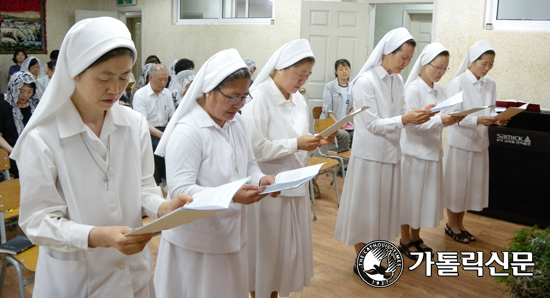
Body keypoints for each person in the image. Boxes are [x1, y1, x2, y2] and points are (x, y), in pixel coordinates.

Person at [11, 17, 192, 297]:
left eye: (124, 78)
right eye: (104, 78)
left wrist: (161, 208)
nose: (115, 89)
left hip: (134, 277)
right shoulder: (42, 137)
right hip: (76, 282)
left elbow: (144, 186)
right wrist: (97, 236)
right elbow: (38, 220)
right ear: (74, 72)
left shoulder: (133, 124)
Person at [154, 48, 277, 298]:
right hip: (195, 242)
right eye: (232, 97)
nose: (239, 105)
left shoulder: (237, 122)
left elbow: (249, 165)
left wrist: (261, 179)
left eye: (244, 97)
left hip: (230, 233)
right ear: (209, 90)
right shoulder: (188, 130)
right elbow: (180, 191)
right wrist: (232, 194)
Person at [333, 28, 434, 271]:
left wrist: (418, 116)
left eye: (410, 59)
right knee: (364, 210)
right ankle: (362, 259)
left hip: (391, 154)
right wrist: (406, 119)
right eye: (403, 58)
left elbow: (400, 112)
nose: (406, 63)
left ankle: (376, 253)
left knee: (384, 209)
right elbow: (372, 124)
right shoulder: (365, 81)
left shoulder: (397, 79)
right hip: (369, 156)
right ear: (387, 53)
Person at [242, 39, 333, 298]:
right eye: (299, 73)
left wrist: (313, 143)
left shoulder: (298, 100)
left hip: (295, 184)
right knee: (266, 252)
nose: (303, 80)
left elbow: (300, 140)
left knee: (286, 253)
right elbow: (256, 149)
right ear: (280, 69)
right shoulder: (258, 98)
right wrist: (296, 144)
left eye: (308, 75)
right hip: (269, 189)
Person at [399, 43, 463, 259]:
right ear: (425, 64)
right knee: (410, 198)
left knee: (423, 199)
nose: (441, 73)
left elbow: (443, 116)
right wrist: (440, 120)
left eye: (445, 69)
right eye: (438, 67)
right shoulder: (413, 89)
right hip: (414, 154)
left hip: (433, 152)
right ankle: (404, 239)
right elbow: (410, 124)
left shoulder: (441, 89)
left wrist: (454, 117)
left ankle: (416, 237)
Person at [443, 40, 506, 243]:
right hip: (460, 143)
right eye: (484, 63)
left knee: (470, 188)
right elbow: (451, 116)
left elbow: (490, 109)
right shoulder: (458, 83)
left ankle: (460, 224)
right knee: (457, 186)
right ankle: (452, 225)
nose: (487, 68)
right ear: (473, 61)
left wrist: (499, 118)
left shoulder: (490, 83)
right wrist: (477, 119)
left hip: (480, 142)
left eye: (491, 64)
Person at [132, 64, 175, 184]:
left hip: (165, 129)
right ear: (150, 78)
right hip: (148, 131)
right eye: (160, 79)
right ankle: (157, 182)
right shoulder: (140, 95)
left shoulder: (167, 93)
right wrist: (162, 135)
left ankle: (171, 181)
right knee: (157, 147)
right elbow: (143, 122)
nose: (163, 83)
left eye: (166, 79)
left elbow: (172, 116)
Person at [0, 71, 37, 178]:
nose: (25, 95)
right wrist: (15, 152)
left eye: (30, 92)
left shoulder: (35, 106)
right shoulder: (3, 106)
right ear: (13, 88)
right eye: (21, 91)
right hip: (13, 152)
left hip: (35, 149)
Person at [321, 58, 354, 150]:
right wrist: (338, 124)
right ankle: (341, 162)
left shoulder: (352, 87)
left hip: (344, 124)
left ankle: (351, 160)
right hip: (330, 123)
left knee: (357, 133)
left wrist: (344, 122)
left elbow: (353, 107)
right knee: (345, 135)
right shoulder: (330, 86)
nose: (344, 71)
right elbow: (328, 109)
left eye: (346, 69)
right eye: (341, 69)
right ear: (336, 71)